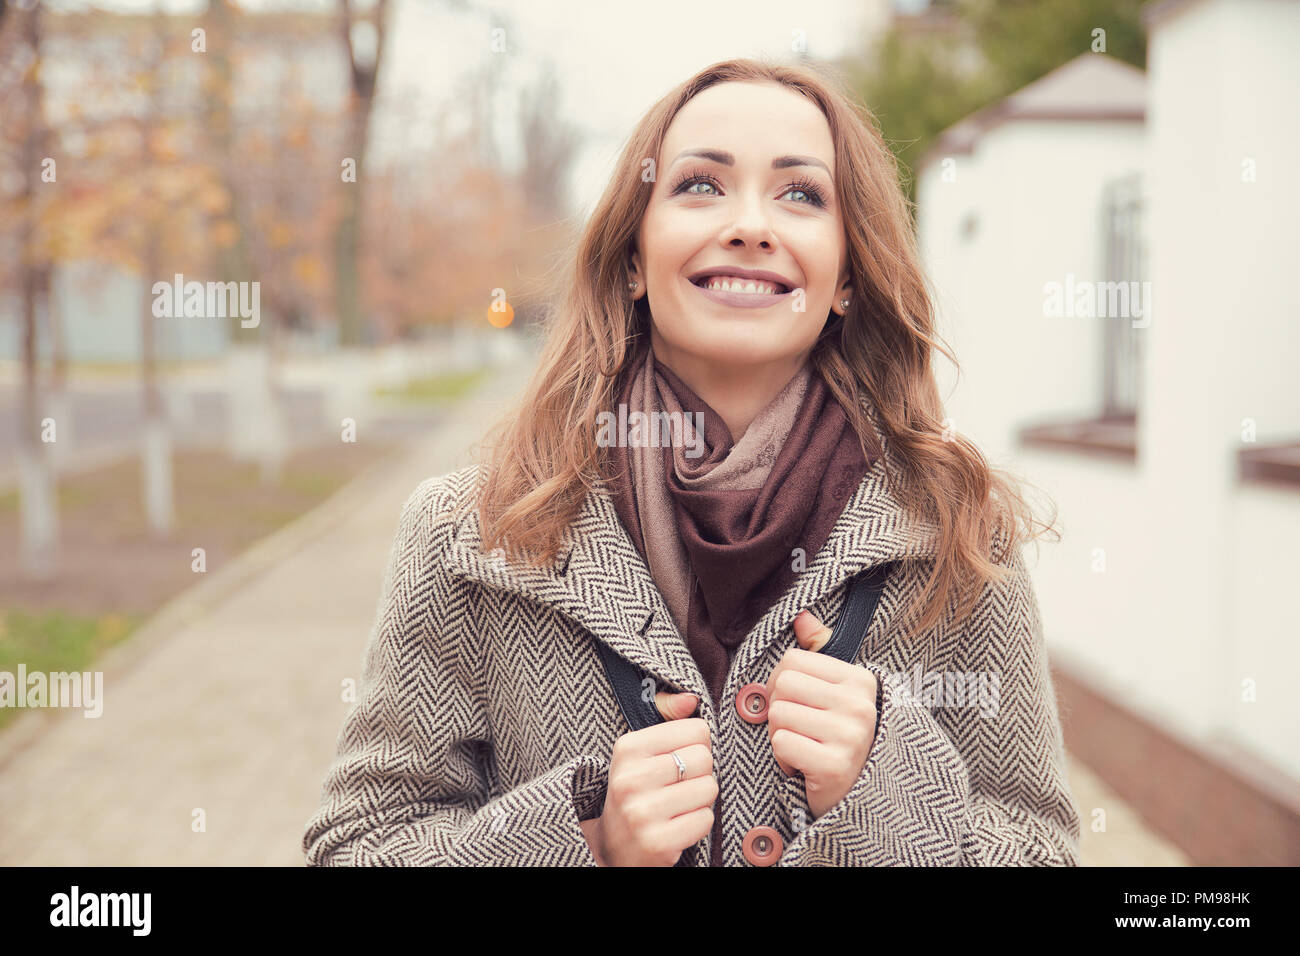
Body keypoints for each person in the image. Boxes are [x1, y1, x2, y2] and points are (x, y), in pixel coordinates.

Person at [302, 57, 1081, 867]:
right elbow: (359, 847)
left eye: (802, 193)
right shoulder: (471, 533)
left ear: (847, 274)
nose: (750, 225)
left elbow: (1043, 853)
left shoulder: (955, 529)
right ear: (633, 258)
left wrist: (883, 789)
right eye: (701, 186)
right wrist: (586, 841)